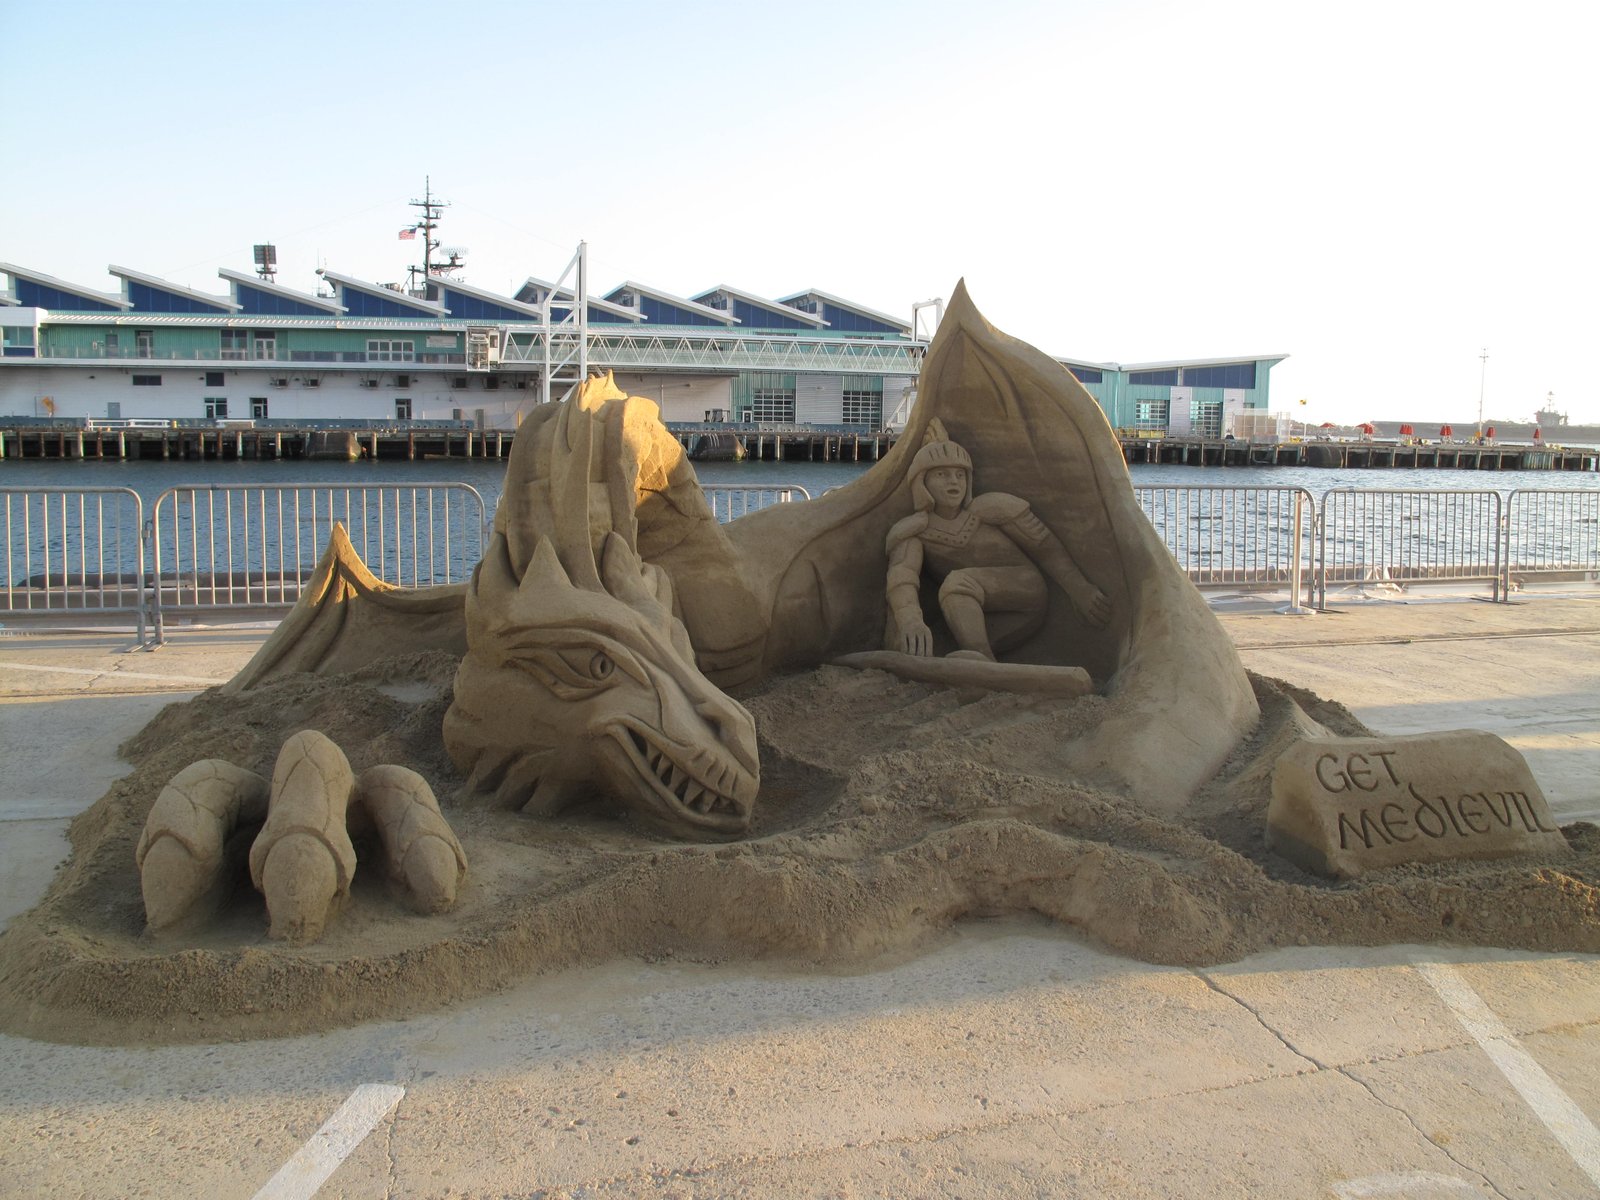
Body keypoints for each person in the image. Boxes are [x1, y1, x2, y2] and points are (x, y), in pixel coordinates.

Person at [885, 422, 1111, 661]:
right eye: (942, 474)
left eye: (960, 475)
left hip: (1025, 592)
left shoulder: (990, 508)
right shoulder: (914, 531)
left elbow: (1044, 547)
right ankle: (983, 666)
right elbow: (902, 578)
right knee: (936, 641)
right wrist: (910, 619)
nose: (954, 482)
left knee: (957, 583)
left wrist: (1079, 588)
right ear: (922, 483)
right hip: (986, 613)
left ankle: (980, 660)